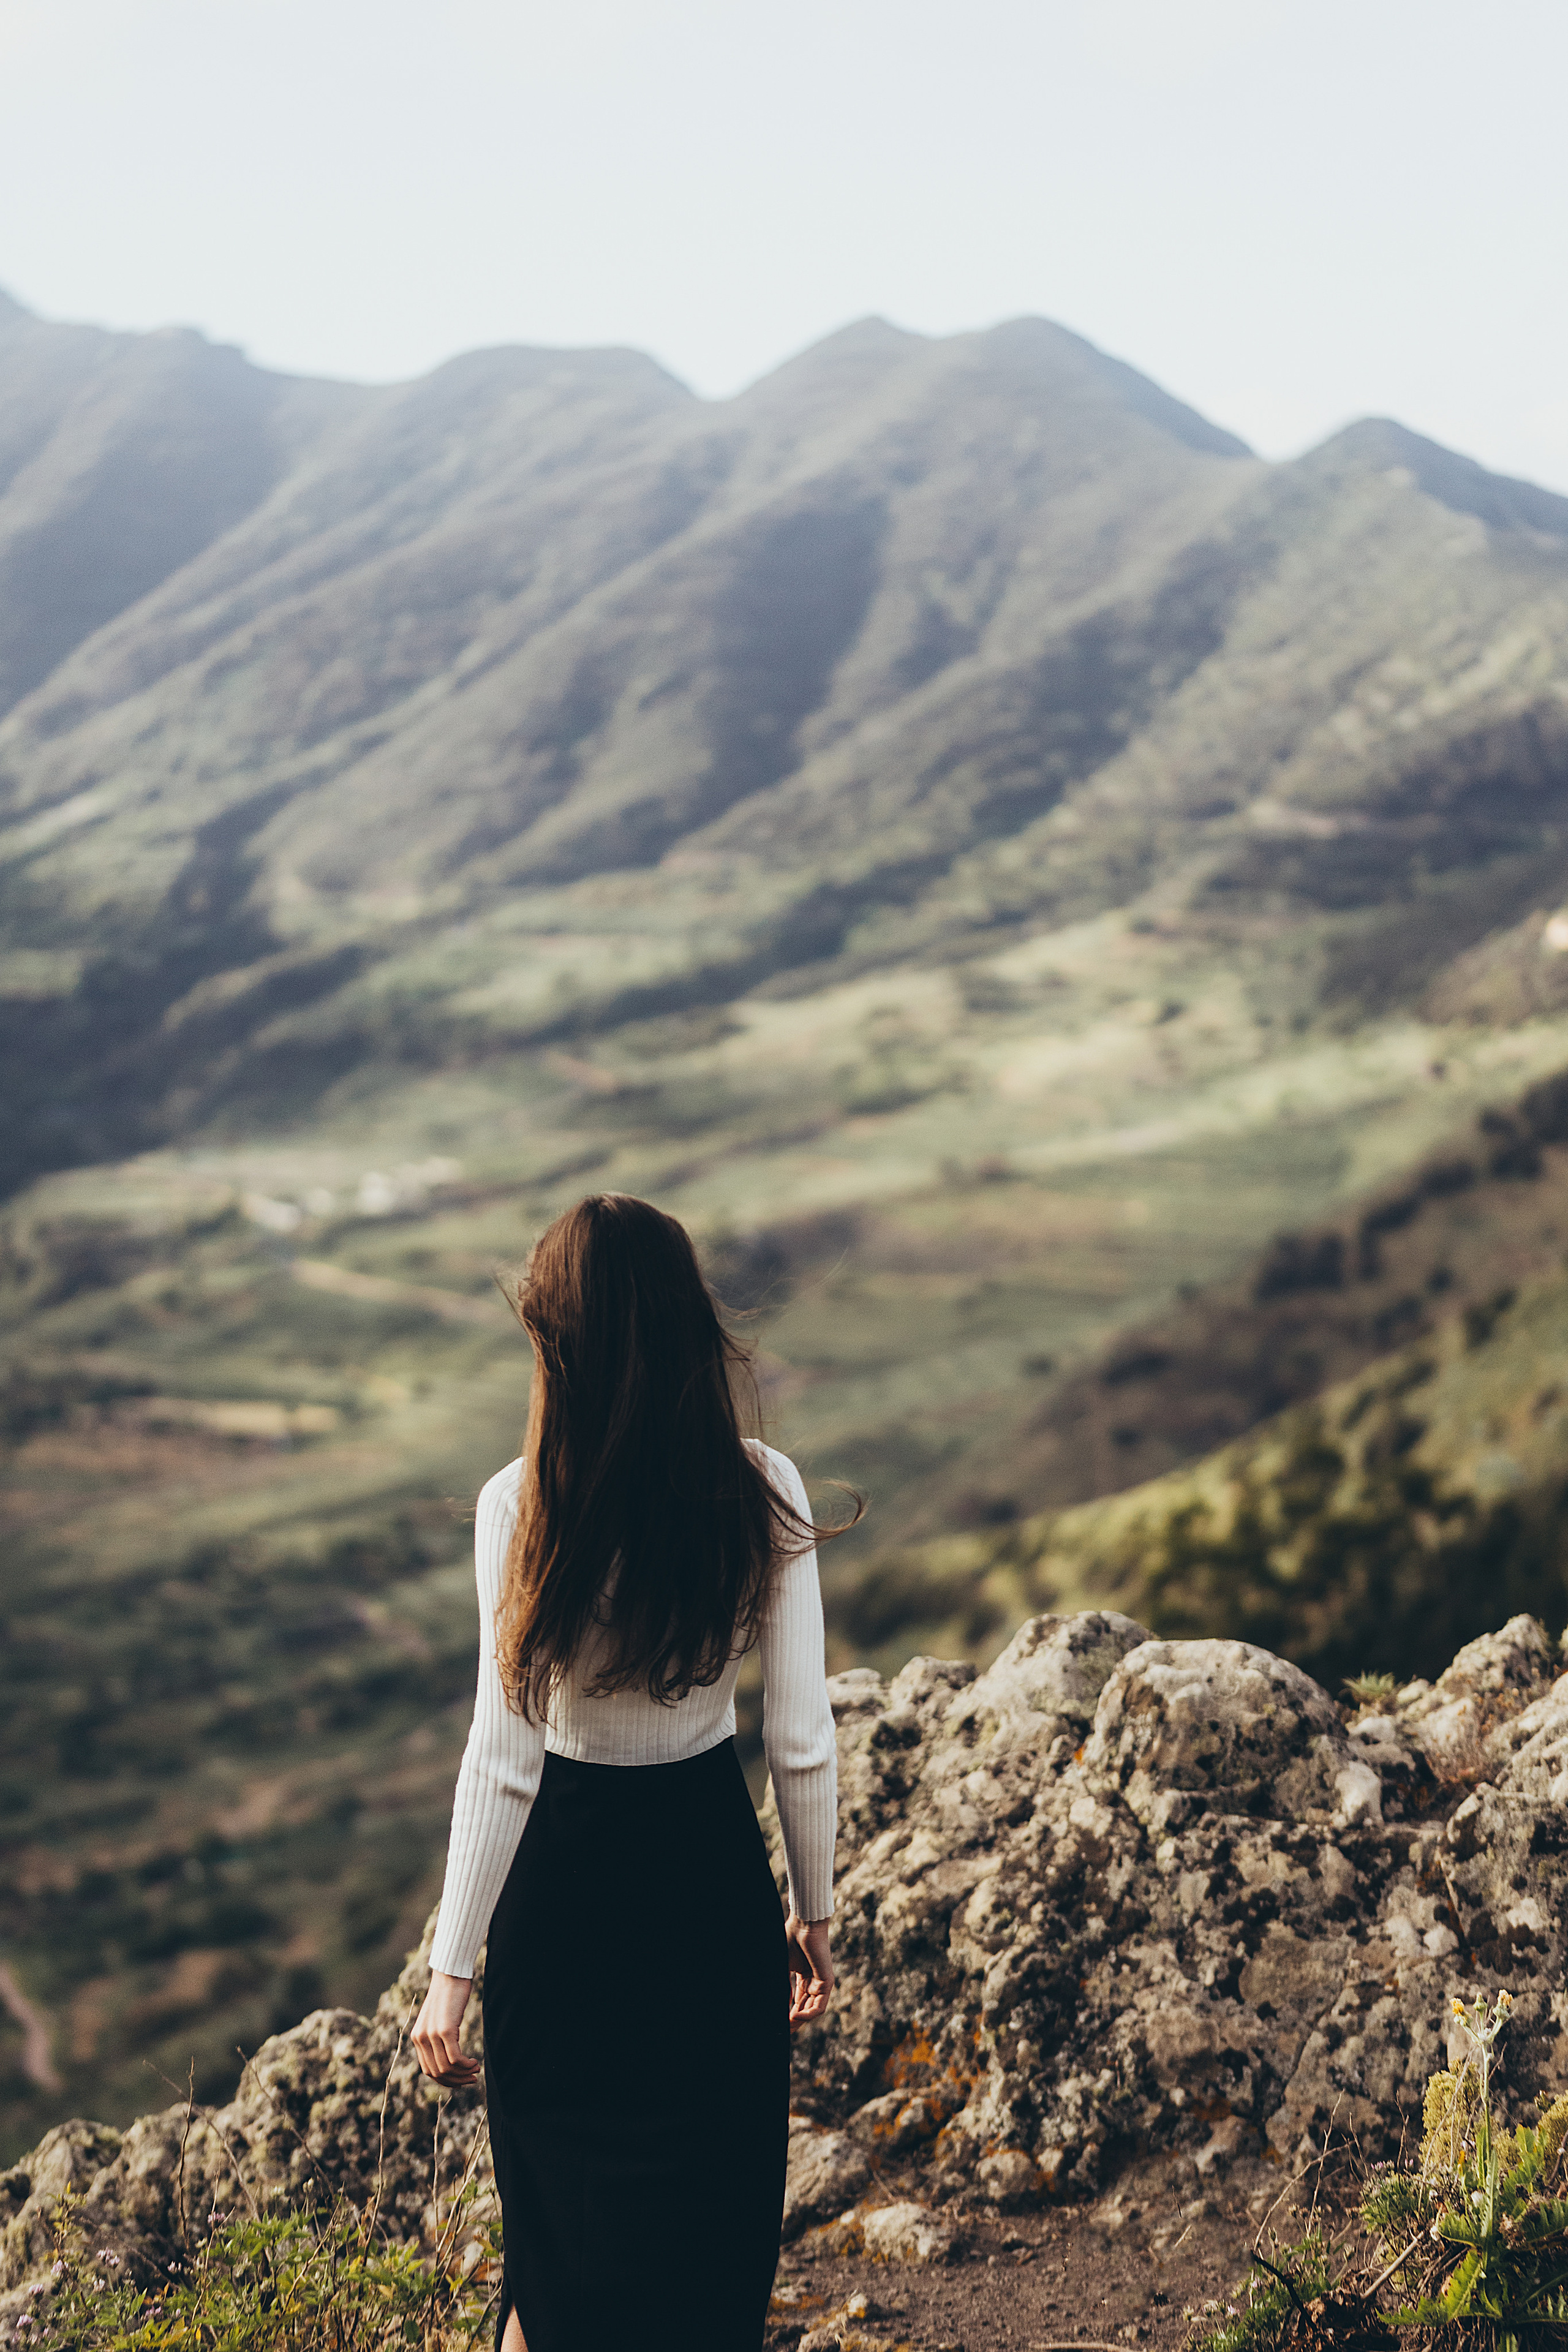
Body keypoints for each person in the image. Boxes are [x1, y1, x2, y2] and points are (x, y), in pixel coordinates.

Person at [410, 1194, 853, 2352]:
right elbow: (799, 1736)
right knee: (706, 2252)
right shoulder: (765, 1487)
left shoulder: (520, 1505)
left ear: (558, 1345)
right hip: (707, 1892)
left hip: (561, 1915)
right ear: (687, 1325)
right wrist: (813, 1912)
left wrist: (451, 1972)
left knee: (556, 2261)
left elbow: (502, 1758)